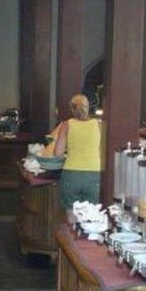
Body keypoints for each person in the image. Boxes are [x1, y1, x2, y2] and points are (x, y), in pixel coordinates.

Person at [54, 93, 102, 222]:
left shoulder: (66, 125)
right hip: (94, 174)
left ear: (72, 108)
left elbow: (57, 153)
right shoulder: (98, 125)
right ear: (88, 107)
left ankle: (73, 232)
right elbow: (102, 151)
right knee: (91, 217)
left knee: (72, 216)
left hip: (71, 174)